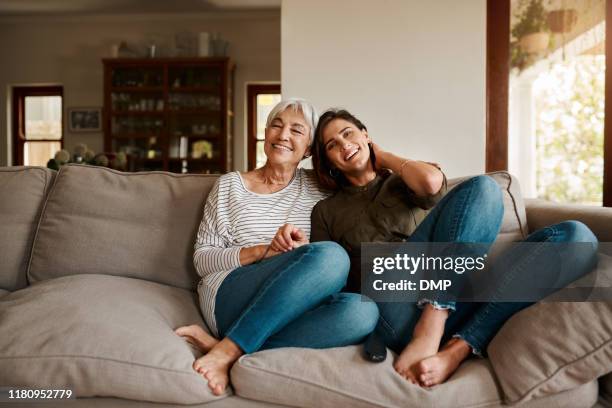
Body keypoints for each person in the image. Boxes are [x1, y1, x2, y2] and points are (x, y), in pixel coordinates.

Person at [299, 108, 599, 387]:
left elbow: (431, 182)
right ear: (330, 163)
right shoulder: (327, 210)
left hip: (450, 292)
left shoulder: (405, 180)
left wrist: (385, 157)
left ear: (366, 135)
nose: (343, 144)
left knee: (576, 237)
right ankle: (435, 318)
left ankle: (456, 345)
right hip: (390, 301)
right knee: (479, 194)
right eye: (331, 145)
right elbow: (331, 279)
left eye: (348, 133)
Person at [174, 100, 379, 396]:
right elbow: (202, 261)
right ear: (266, 134)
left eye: (297, 130)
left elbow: (367, 171)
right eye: (276, 125)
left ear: (310, 149)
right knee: (331, 255)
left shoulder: (321, 187)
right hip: (230, 296)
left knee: (363, 313)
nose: (283, 135)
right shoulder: (230, 186)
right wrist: (262, 252)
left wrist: (305, 257)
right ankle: (230, 348)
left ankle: (229, 347)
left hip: (288, 307)